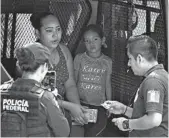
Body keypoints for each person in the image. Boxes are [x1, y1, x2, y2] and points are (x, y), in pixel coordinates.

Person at [28, 12, 88, 126]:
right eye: (49, 31)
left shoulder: (64, 52)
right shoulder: (31, 56)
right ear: (37, 33)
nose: (55, 35)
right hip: (38, 114)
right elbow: (40, 97)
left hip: (61, 110)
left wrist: (77, 109)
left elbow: (70, 85)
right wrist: (70, 106)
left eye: (58, 29)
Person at [1, 42, 70, 137]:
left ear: (20, 65)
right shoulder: (45, 97)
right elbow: (63, 132)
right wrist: (54, 100)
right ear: (45, 67)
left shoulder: (2, 90)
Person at [104, 35, 168, 137]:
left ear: (139, 58)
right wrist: (123, 109)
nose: (129, 64)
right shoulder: (161, 76)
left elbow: (154, 119)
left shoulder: (153, 81)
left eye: (130, 59)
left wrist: (126, 124)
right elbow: (146, 114)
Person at [73, 24, 112, 136]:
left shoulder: (107, 62)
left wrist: (109, 104)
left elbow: (107, 84)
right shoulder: (79, 58)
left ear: (102, 40)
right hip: (81, 103)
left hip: (99, 106)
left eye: (95, 39)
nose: (91, 44)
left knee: (95, 132)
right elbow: (74, 81)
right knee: (78, 131)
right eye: (87, 41)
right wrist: (73, 102)